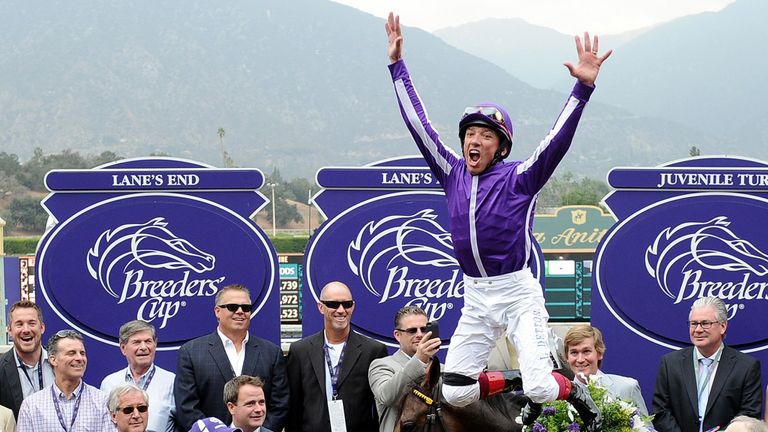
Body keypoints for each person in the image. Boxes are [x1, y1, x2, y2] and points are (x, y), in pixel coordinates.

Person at [384, 12, 611, 429]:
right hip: (475, 295)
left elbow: (557, 140)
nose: (475, 139)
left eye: (486, 135)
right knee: (453, 390)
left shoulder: (520, 178)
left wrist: (583, 87)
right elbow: (418, 124)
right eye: (470, 133)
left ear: (501, 147)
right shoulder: (451, 171)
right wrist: (398, 67)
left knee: (544, 388)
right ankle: (515, 380)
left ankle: (571, 389)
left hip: (517, 292)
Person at [175, 284, 288, 431]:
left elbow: (280, 404)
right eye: (233, 307)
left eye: (246, 308)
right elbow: (186, 407)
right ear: (217, 311)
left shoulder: (271, 352)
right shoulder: (191, 352)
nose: (240, 311)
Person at [286, 281, 388, 432]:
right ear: (321, 307)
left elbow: (381, 407)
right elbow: (293, 407)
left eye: (346, 304)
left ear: (353, 306)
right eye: (333, 304)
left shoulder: (373, 350)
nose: (341, 310)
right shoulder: (300, 350)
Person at [652, 296, 762, 432]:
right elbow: (660, 412)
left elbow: (749, 416)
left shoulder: (746, 367)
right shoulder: (670, 364)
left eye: (705, 323)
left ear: (722, 326)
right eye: (694, 323)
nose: (698, 329)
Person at [16, 329, 113, 431]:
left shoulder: (102, 402)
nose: (79, 358)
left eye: (82, 353)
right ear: (53, 360)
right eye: (71, 353)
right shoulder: (32, 406)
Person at [368, 306, 441, 432]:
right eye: (412, 331)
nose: (419, 334)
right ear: (397, 335)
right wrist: (419, 359)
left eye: (424, 329)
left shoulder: (443, 369)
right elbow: (386, 397)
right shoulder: (382, 365)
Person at [101, 320, 176, 432]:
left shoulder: (172, 382)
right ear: (123, 348)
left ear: (155, 344)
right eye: (136, 342)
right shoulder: (109, 383)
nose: (143, 347)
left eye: (148, 341)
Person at [564, 324, 648, 414]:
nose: (580, 359)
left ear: (599, 353)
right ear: (567, 357)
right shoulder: (559, 398)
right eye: (574, 352)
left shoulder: (627, 387)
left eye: (586, 351)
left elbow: (647, 428)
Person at [0, 300, 55, 419]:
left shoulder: (58, 363)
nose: (26, 330)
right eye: (19, 324)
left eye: (32, 323)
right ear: (9, 330)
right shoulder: (1, 369)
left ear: (42, 328)